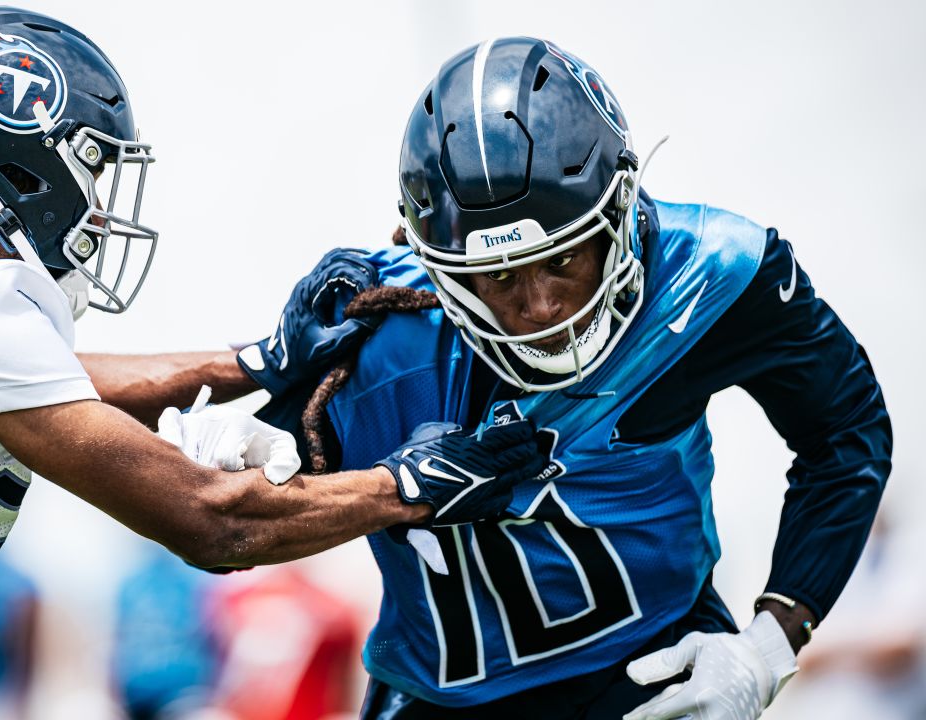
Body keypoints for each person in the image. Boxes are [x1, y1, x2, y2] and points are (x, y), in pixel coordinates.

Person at [0, 12, 545, 719]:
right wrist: (415, 488)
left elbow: (42, 380)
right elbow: (212, 524)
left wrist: (259, 361)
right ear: (16, 162)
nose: (105, 214)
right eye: (91, 169)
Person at [112, 37, 892, 719]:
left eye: (564, 259)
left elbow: (844, 434)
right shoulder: (386, 328)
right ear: (433, 263)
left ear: (621, 209)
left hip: (651, 668)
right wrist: (238, 444)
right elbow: (226, 533)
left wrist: (770, 638)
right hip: (441, 699)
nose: (543, 306)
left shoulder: (714, 275)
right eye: (501, 278)